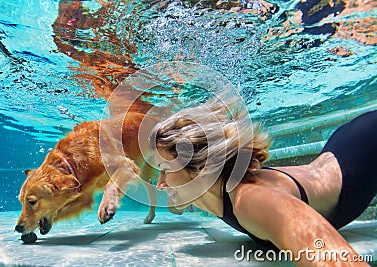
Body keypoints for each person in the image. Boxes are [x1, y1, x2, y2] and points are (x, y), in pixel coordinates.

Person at [150, 95, 376, 266]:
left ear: (202, 167)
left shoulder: (252, 200)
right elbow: (175, 206)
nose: (160, 184)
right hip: (347, 146)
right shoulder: (213, 191)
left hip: (368, 147)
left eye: (165, 170)